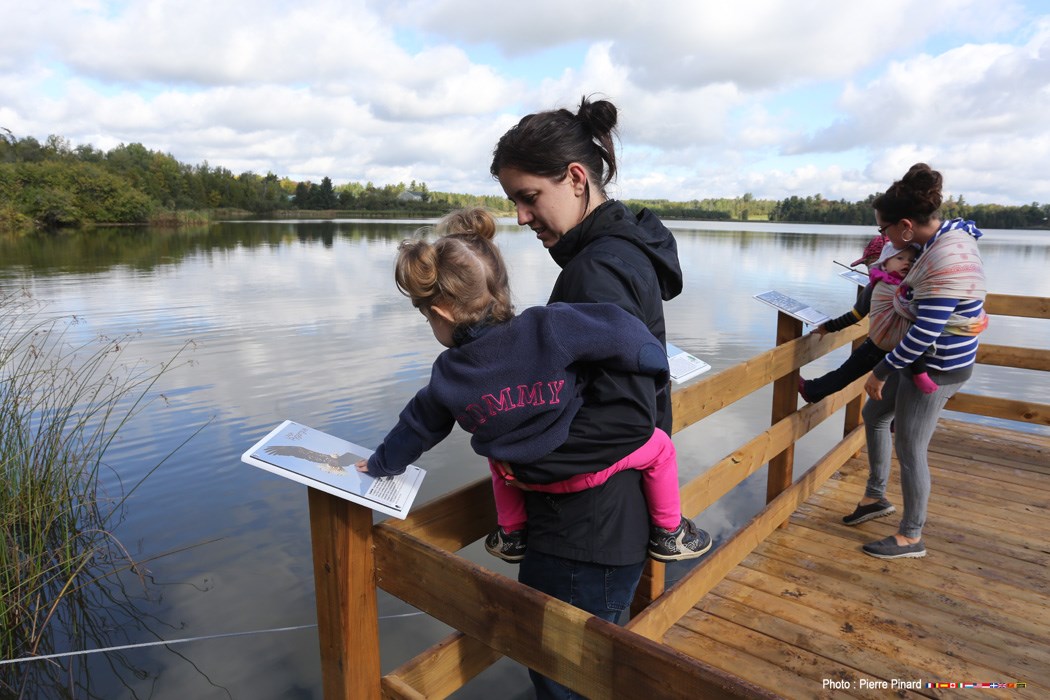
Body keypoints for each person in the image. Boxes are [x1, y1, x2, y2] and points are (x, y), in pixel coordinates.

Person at [355, 208, 710, 566]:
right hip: (584, 473)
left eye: (427, 315)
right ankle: (669, 532)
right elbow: (617, 327)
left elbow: (415, 429)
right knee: (660, 447)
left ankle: (512, 534)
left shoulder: (447, 374)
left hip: (521, 476)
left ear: (443, 312)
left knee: (494, 451)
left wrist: (379, 464)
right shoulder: (547, 326)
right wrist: (652, 359)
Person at [491, 96, 694, 699]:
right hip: (613, 520)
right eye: (514, 203)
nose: (523, 218)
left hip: (583, 532)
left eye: (529, 197)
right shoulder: (621, 252)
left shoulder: (595, 271)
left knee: (564, 686)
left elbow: (626, 420)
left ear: (576, 179)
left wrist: (521, 462)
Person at [844, 163, 988, 560]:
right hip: (921, 359)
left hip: (938, 365)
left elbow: (925, 332)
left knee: (910, 448)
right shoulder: (941, 241)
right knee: (875, 416)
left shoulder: (943, 261)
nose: (884, 238)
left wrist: (880, 371)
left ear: (906, 226)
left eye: (884, 230)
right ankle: (875, 498)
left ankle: (912, 535)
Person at [799, 242, 937, 403]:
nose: (906, 263)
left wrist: (827, 327)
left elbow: (855, 315)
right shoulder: (918, 287)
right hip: (908, 347)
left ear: (882, 261)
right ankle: (898, 414)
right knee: (898, 383)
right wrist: (828, 327)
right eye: (900, 258)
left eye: (911, 260)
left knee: (847, 371)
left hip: (879, 344)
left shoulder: (876, 286)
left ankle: (812, 391)